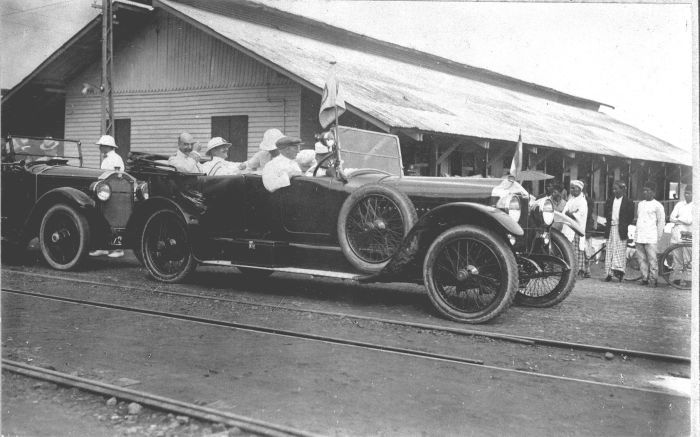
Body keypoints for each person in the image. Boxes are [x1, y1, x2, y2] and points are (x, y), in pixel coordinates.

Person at [90, 135, 125, 258]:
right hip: (105, 193)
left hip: (113, 193)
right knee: (103, 219)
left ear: (108, 146)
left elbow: (118, 176)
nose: (100, 147)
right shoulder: (107, 159)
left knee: (115, 220)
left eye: (102, 145)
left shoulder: (116, 159)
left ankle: (118, 249)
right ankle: (103, 247)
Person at [634, 181, 666, 286]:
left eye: (647, 190)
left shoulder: (658, 205)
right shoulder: (640, 204)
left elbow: (661, 222)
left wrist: (658, 236)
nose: (645, 192)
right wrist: (636, 234)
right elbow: (639, 219)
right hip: (640, 236)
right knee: (641, 259)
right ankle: (644, 278)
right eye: (644, 190)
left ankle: (653, 279)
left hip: (651, 236)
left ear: (653, 192)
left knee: (652, 259)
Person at [603, 181, 635, 282]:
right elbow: (606, 214)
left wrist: (623, 225)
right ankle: (608, 274)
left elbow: (630, 217)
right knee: (610, 251)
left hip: (621, 229)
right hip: (611, 228)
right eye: (613, 189)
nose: (614, 191)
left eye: (616, 189)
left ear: (623, 190)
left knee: (620, 251)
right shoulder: (609, 201)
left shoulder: (628, 202)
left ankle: (620, 273)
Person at [561, 180, 588, 277]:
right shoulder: (570, 199)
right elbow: (564, 212)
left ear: (579, 189)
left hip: (576, 229)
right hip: (568, 228)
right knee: (569, 249)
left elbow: (580, 215)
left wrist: (571, 214)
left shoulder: (582, 201)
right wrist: (570, 213)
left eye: (574, 188)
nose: (572, 190)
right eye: (571, 188)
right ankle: (570, 269)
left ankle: (579, 270)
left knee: (577, 249)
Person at [668, 185, 692, 285]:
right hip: (677, 233)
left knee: (688, 258)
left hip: (688, 233)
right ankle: (676, 279)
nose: (687, 195)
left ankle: (688, 280)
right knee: (677, 257)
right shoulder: (679, 204)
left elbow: (689, 221)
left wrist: (678, 219)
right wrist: (681, 220)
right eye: (686, 193)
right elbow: (671, 217)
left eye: (689, 193)